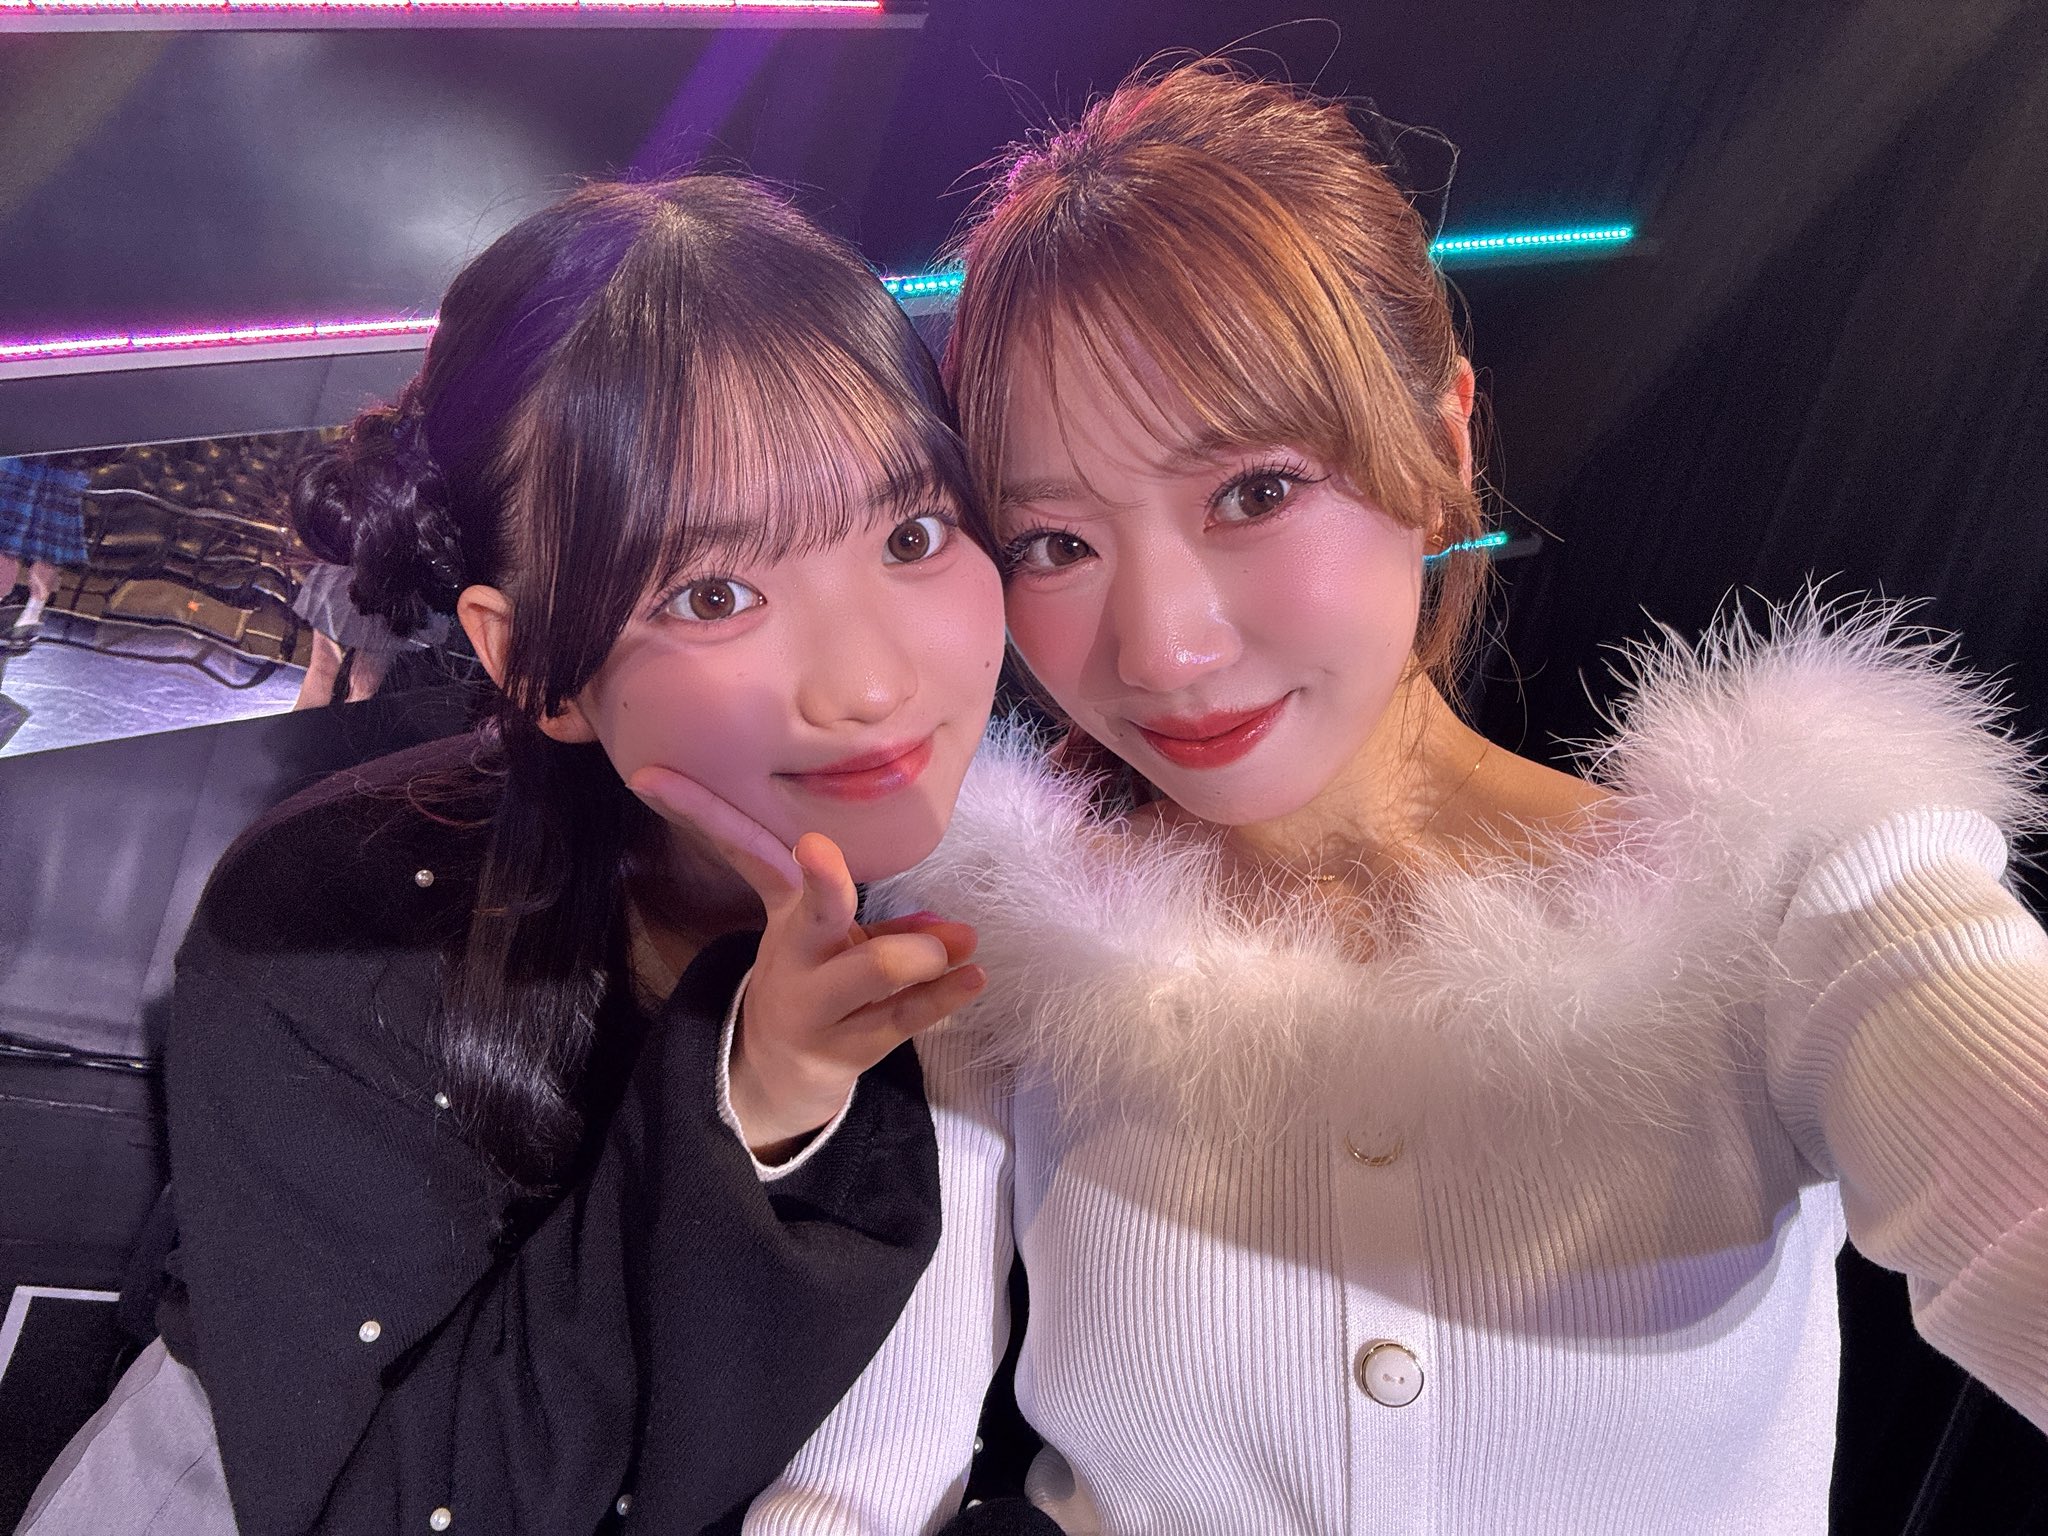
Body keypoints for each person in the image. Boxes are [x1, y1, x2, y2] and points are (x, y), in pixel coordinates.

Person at [744, 61, 2048, 1533]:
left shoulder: (1789, 891)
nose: (1161, 650)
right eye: (1056, 542)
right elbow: (859, 1479)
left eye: (1252, 492)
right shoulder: (997, 956)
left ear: (1438, 446)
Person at [19, 174, 1005, 1535]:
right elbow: (403, 1499)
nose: (872, 685)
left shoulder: (1053, 899)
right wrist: (755, 1096)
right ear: (530, 656)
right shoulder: (325, 927)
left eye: (910, 535)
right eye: (714, 593)